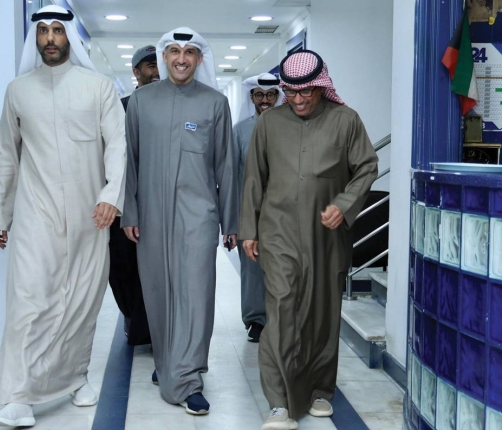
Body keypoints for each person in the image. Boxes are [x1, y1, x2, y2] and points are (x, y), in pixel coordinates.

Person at [0, 5, 126, 427]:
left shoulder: (98, 87)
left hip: (91, 215)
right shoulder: (18, 91)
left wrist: (111, 196)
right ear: (36, 38)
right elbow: (6, 155)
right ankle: (17, 397)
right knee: (28, 302)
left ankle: (75, 378)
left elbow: (118, 145)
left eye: (57, 31)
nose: (50, 38)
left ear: (69, 38)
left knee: (81, 301)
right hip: (36, 212)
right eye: (43, 30)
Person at [239, 50, 378, 430]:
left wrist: (344, 205)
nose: (298, 100)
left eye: (306, 92)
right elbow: (254, 178)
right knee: (281, 310)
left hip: (326, 236)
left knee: (321, 314)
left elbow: (367, 167)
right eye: (290, 92)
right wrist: (249, 229)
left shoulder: (346, 121)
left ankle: (319, 390)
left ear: (321, 87)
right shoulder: (269, 124)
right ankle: (279, 402)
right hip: (278, 232)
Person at [121, 27, 237, 415]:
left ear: (200, 59)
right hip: (151, 215)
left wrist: (230, 221)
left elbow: (226, 165)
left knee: (196, 294)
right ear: (164, 57)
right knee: (158, 294)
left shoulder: (215, 103)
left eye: (189, 52)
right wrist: (130, 212)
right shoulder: (142, 101)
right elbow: (130, 161)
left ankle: (187, 379)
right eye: (174, 51)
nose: (182, 58)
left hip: (199, 215)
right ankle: (169, 362)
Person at [109, 45, 159, 346]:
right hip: (123, 200)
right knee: (122, 265)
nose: (156, 71)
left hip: (159, 201)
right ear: (136, 72)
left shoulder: (170, 106)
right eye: (150, 65)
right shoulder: (119, 108)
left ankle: (151, 328)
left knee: (156, 268)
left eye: (159, 64)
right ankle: (132, 316)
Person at [233, 73, 284, 343]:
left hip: (283, 213)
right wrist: (231, 221)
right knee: (252, 269)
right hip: (249, 212)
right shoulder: (240, 131)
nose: (265, 100)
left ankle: (280, 319)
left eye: (270, 95)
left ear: (278, 97)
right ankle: (256, 320)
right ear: (251, 98)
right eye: (259, 95)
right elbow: (231, 175)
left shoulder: (291, 126)